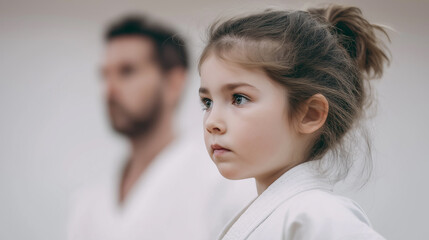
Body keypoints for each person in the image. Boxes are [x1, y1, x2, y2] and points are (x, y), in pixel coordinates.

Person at [198, 4, 390, 240]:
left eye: (239, 98)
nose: (212, 122)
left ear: (309, 114)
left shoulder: (318, 215)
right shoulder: (278, 214)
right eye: (207, 102)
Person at [67, 15, 255, 240]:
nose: (110, 91)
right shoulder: (90, 200)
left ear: (173, 82)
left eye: (127, 71)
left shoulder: (222, 185)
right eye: (105, 75)